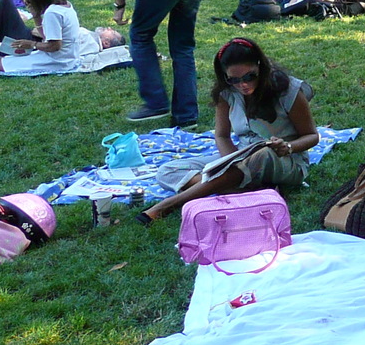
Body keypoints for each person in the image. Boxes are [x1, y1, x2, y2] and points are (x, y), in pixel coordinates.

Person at [136, 38, 318, 225]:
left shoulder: (288, 90)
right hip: (240, 156)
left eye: (249, 76)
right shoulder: (227, 93)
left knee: (263, 153)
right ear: (225, 77)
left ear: (260, 67)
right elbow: (221, 135)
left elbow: (312, 136)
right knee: (167, 171)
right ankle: (245, 190)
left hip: (285, 161)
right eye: (234, 80)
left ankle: (168, 205)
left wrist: (287, 147)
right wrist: (231, 163)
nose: (243, 84)